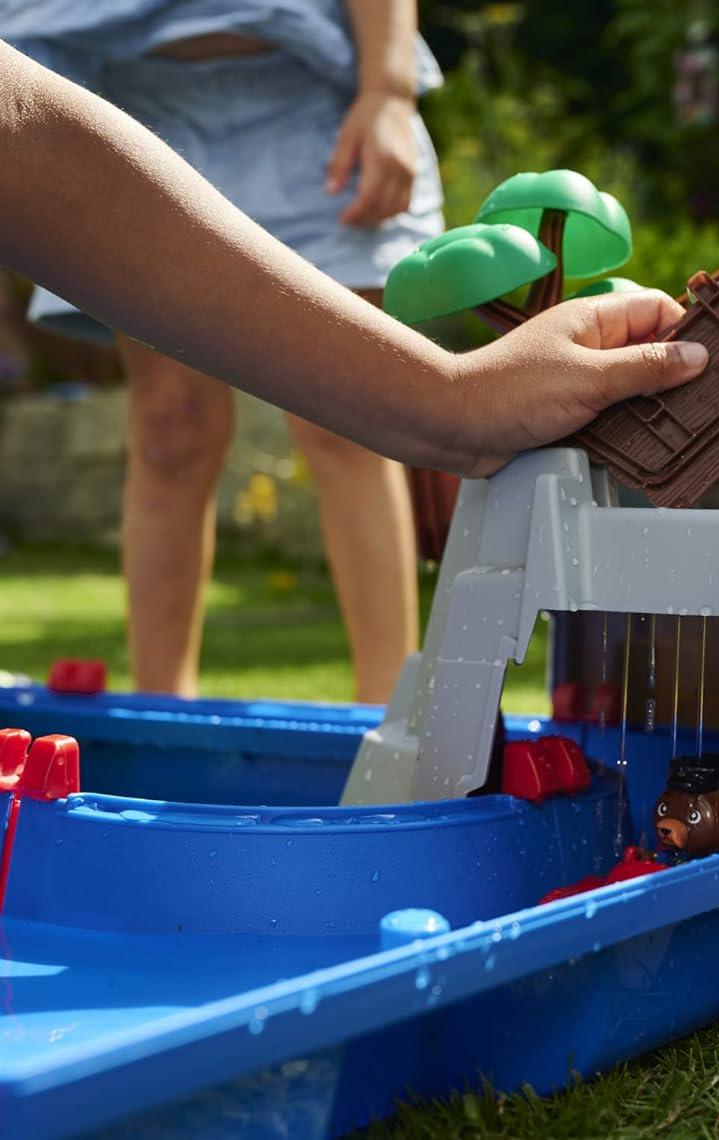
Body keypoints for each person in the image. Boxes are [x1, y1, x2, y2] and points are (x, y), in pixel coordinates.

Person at [0, 41, 709, 618]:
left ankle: (382, 705)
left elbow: (25, 129)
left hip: (305, 82)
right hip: (113, 70)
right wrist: (456, 402)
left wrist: (456, 400)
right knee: (169, 423)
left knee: (340, 442)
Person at [2, 3, 442, 702]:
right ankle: (161, 714)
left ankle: (392, 718)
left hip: (305, 96)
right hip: (114, 95)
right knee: (172, 425)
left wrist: (388, 90)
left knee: (348, 421)